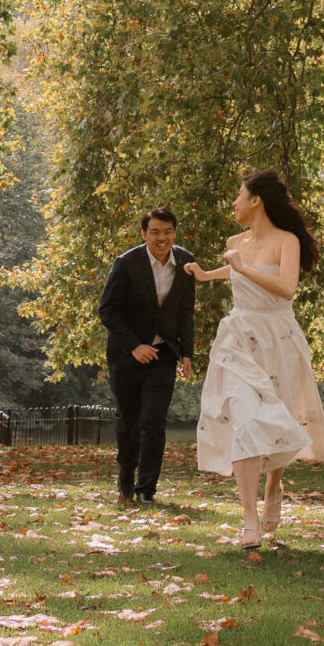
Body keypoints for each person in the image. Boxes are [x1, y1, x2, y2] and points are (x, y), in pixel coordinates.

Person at [193, 169, 324, 548]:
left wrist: (241, 267)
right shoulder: (235, 242)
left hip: (279, 338)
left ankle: (275, 482)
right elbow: (238, 273)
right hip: (239, 340)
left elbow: (286, 288)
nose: (234, 203)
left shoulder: (287, 241)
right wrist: (209, 275)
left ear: (256, 200)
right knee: (245, 419)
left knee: (278, 418)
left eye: (238, 196)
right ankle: (248, 520)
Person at [97, 206, 196, 506]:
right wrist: (133, 346)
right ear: (144, 234)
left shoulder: (187, 262)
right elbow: (107, 310)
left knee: (153, 421)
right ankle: (126, 473)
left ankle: (147, 489)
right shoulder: (127, 263)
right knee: (129, 419)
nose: (162, 238)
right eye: (155, 232)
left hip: (164, 354)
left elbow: (185, 311)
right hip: (126, 355)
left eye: (167, 232)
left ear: (175, 233)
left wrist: (188, 353)